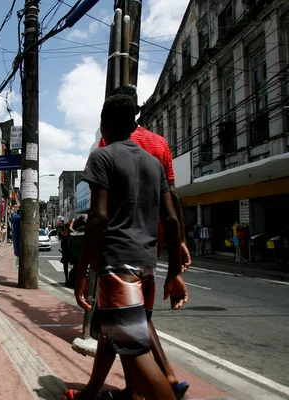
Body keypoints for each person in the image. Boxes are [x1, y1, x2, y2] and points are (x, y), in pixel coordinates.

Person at [64, 94, 188, 400]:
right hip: (147, 264)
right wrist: (174, 273)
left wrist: (82, 272)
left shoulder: (102, 157)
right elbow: (172, 219)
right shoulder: (153, 163)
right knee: (117, 330)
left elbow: (98, 217)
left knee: (133, 349)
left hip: (118, 264)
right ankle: (90, 393)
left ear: (104, 124)